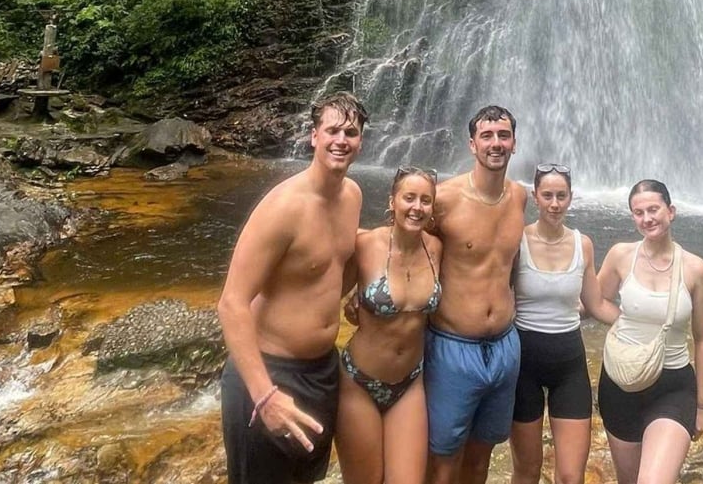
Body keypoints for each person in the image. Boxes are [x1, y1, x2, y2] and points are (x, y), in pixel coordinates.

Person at [216, 92, 367, 484]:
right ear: (313, 136)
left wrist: (364, 288)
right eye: (332, 130)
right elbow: (231, 302)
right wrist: (264, 395)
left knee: (305, 477)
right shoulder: (283, 207)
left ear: (361, 141)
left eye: (350, 132)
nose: (341, 140)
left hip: (321, 371)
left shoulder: (353, 196)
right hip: (269, 372)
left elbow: (331, 267)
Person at [425, 105, 530, 484]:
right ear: (472, 144)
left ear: (515, 144)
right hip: (453, 345)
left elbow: (512, 264)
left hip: (504, 346)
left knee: (482, 453)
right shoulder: (442, 199)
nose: (496, 143)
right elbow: (404, 244)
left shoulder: (519, 197)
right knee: (442, 457)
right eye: (487, 136)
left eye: (503, 136)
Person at [594, 179, 703, 484]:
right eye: (638, 213)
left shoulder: (695, 269)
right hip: (621, 382)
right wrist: (623, 321)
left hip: (673, 386)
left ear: (670, 211)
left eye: (653, 209)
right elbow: (596, 300)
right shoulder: (621, 255)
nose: (646, 218)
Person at [509, 164, 619, 484]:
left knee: (571, 476)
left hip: (568, 364)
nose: (554, 203)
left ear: (571, 198)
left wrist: (637, 325)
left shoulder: (582, 244)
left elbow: (596, 304)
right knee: (527, 471)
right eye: (547, 196)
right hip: (523, 365)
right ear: (535, 197)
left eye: (561, 196)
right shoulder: (518, 241)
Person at [335, 165, 444, 484]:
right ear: (392, 201)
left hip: (410, 382)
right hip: (359, 382)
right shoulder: (365, 245)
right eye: (409, 197)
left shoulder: (436, 249)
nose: (417, 207)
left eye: (426, 200)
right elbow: (323, 290)